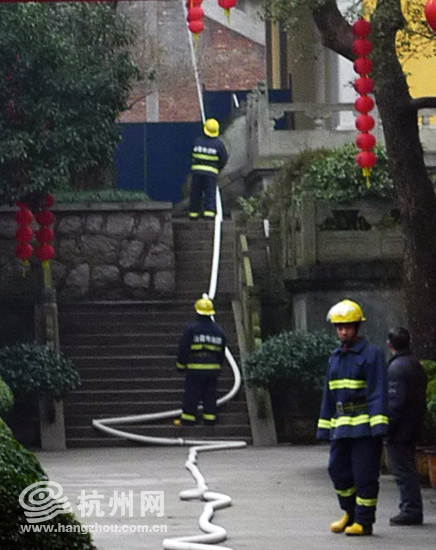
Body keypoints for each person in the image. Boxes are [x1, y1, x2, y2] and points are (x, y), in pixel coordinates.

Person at [317, 299, 389, 537]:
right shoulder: (335, 357)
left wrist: (379, 425)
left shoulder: (371, 355)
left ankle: (364, 522)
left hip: (365, 429)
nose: (343, 332)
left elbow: (378, 391)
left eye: (347, 327)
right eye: (339, 327)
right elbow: (329, 394)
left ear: (357, 326)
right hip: (341, 427)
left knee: (364, 475)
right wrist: (324, 427)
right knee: (337, 470)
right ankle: (349, 513)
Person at [385, 327, 427, 526]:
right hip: (413, 424)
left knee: (403, 470)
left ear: (389, 345)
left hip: (401, 429)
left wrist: (387, 428)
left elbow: (395, 403)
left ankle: (411, 509)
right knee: (408, 468)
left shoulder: (396, 368)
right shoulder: (415, 365)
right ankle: (411, 507)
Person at [174, 294, 226, 425]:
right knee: (210, 395)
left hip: (195, 368)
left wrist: (180, 365)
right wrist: (218, 366)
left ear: (197, 312)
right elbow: (221, 351)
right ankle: (210, 419)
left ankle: (188, 419)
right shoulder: (219, 330)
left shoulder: (191, 329)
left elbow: (184, 348)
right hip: (213, 369)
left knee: (192, 394)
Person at [189, 118, 228, 221]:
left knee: (195, 193)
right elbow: (224, 158)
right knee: (210, 194)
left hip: (197, 173)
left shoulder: (197, 141)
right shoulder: (218, 144)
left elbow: (191, 155)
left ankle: (193, 215)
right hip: (211, 174)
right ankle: (209, 215)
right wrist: (217, 168)